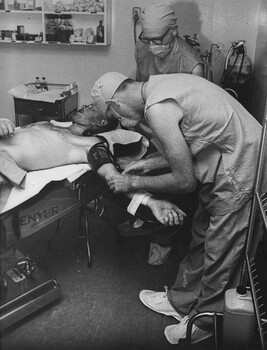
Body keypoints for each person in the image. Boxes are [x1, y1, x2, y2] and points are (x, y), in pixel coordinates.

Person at [90, 71, 262, 344]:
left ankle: (205, 321)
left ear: (116, 105)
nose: (122, 122)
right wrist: (148, 164)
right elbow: (188, 143)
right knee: (201, 237)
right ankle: (181, 301)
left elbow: (184, 181)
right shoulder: (160, 84)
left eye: (117, 117)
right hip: (223, 162)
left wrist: (133, 181)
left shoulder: (157, 109)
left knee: (221, 251)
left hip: (241, 170)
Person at [119, 2, 203, 266]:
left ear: (174, 31)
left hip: (181, 133)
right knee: (130, 166)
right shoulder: (143, 48)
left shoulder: (191, 64)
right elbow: (138, 88)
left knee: (175, 181)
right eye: (148, 38)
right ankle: (145, 215)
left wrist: (154, 158)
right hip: (151, 122)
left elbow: (191, 130)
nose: (152, 45)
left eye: (159, 39)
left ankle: (163, 237)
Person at [0, 116, 186, 228]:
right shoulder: (45, 125)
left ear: (100, 122)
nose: (83, 107)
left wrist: (151, 202)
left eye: (90, 107)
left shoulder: (89, 146)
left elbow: (114, 179)